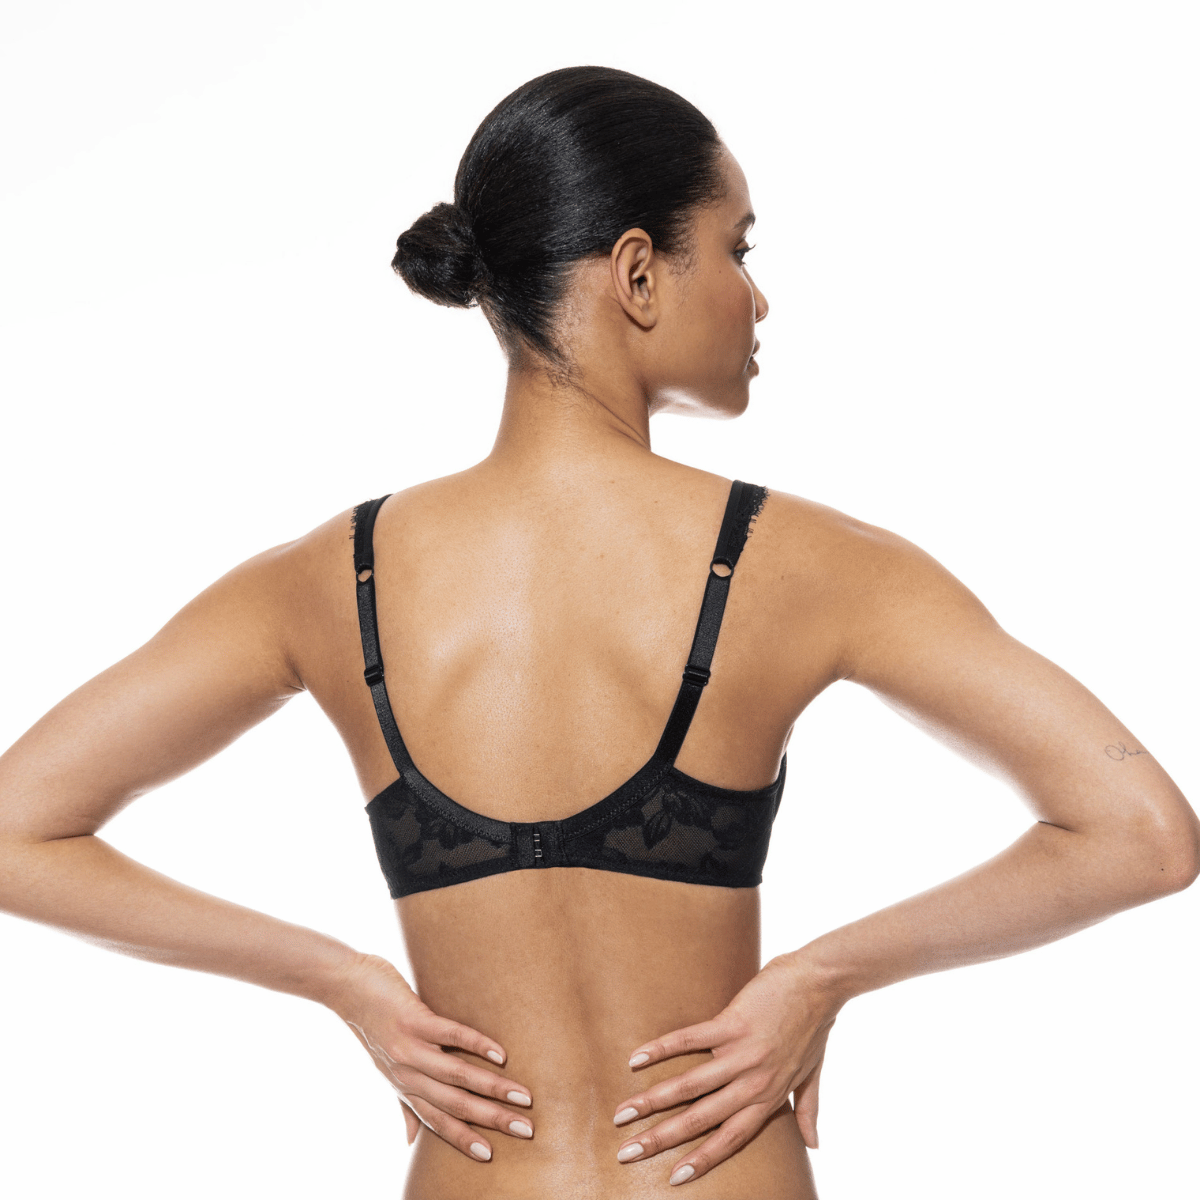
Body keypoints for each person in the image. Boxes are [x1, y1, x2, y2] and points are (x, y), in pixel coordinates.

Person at [0, 64, 1195, 1200]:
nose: (758, 295)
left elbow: (16, 832)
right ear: (637, 272)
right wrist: (819, 977)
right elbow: (1142, 835)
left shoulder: (329, 581)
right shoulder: (810, 565)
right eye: (737, 249)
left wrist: (343, 981)